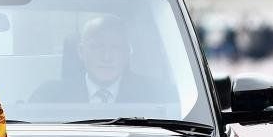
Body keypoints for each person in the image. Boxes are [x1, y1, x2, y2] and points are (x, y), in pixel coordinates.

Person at [30, 16, 177, 105]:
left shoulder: (157, 95)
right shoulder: (49, 96)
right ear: (81, 51)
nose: (107, 57)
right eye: (97, 47)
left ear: (127, 53)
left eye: (116, 48)